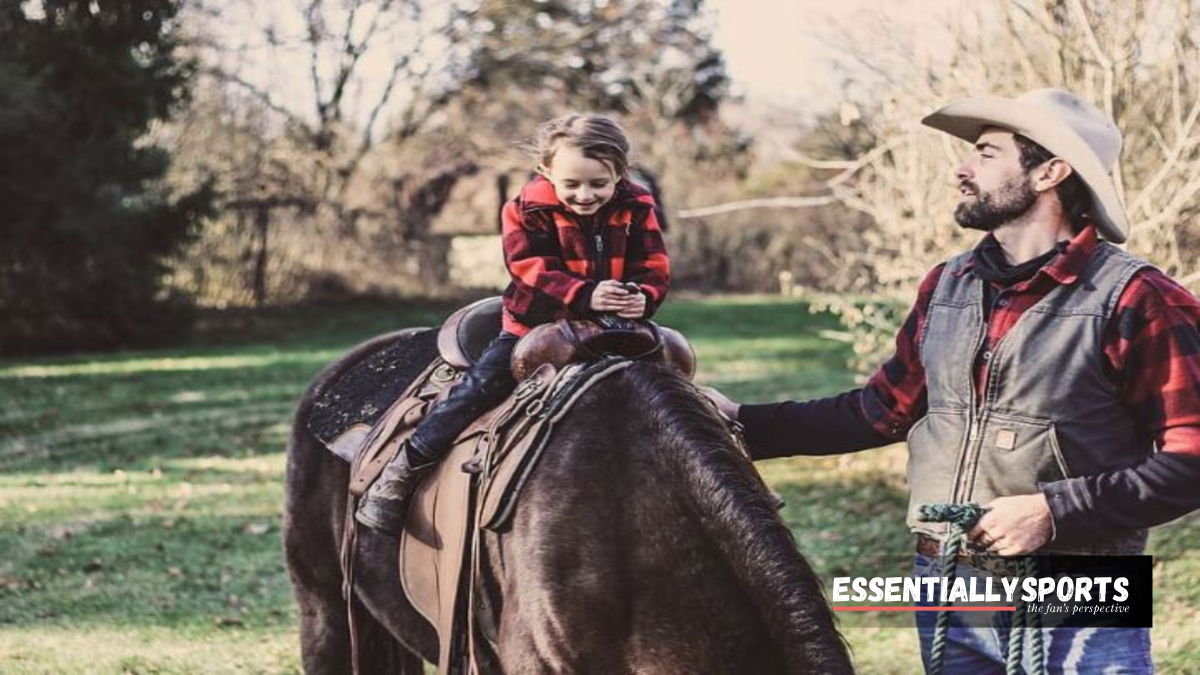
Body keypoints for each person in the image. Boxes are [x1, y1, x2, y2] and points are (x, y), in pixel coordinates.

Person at [704, 88, 1200, 672]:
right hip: (947, 577)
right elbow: (882, 410)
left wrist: (1054, 511)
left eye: (987, 154)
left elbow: (1190, 460)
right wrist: (740, 423)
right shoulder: (949, 285)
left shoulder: (1139, 299)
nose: (961, 169)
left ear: (1050, 172)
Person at [356, 113, 670, 534]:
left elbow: (653, 264)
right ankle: (404, 468)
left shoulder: (637, 206)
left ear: (620, 174)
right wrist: (583, 293)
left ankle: (699, 475)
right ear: (546, 171)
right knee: (481, 388)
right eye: (571, 184)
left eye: (599, 183)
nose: (585, 195)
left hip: (611, 328)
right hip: (537, 326)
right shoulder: (526, 209)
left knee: (671, 386)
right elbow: (528, 267)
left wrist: (642, 295)